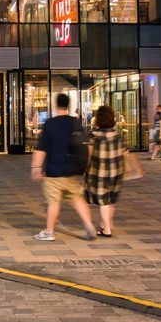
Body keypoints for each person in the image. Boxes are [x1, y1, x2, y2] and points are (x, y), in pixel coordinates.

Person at [31, 93, 96, 242]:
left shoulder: (50, 123)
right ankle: (88, 224)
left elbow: (42, 148)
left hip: (54, 170)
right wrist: (86, 165)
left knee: (53, 201)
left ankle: (49, 231)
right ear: (68, 106)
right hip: (72, 170)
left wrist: (36, 168)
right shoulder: (75, 122)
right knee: (76, 198)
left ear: (56, 106)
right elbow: (87, 145)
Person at [84, 105, 126, 237]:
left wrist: (85, 168)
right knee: (110, 199)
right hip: (117, 170)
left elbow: (89, 154)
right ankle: (104, 225)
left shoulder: (93, 134)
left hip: (99, 171)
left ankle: (107, 229)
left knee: (103, 200)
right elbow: (124, 152)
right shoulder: (117, 134)